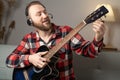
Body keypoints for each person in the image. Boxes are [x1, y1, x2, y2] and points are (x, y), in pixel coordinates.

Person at [6, 1, 106, 80]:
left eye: (45, 12)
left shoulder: (66, 32)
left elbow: (91, 52)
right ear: (30, 21)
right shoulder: (28, 39)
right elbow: (9, 60)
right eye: (39, 14)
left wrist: (98, 37)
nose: (45, 16)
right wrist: (30, 59)